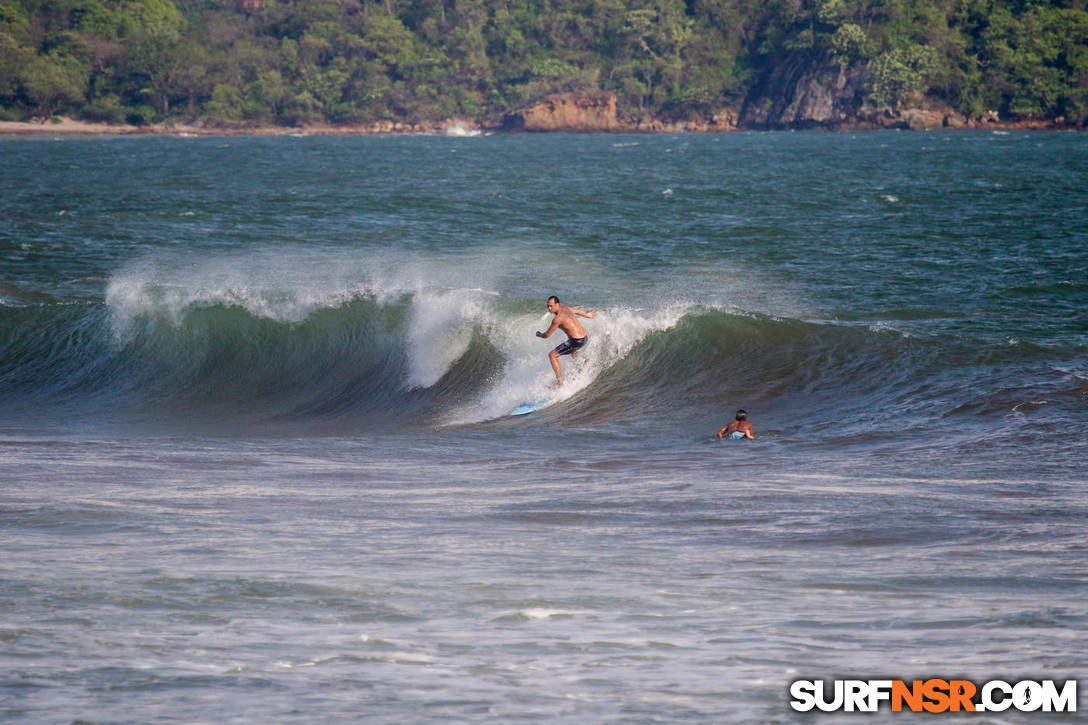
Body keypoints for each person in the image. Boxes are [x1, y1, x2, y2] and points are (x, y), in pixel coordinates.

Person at [536, 295, 596, 386]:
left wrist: (540, 334)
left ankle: (560, 383)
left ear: (557, 304)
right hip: (584, 337)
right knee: (572, 351)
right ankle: (584, 363)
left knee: (552, 355)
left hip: (576, 341)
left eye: (551, 306)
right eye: (547, 306)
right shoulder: (566, 308)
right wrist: (588, 315)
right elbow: (577, 311)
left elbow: (547, 335)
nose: (549, 308)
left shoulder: (557, 319)